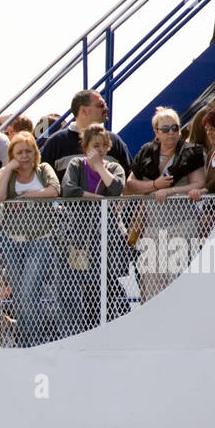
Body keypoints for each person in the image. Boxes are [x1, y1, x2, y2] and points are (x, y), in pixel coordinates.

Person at [125, 108, 208, 304]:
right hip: (152, 228)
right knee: (151, 282)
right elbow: (130, 185)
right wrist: (155, 185)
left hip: (182, 226)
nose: (171, 132)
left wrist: (169, 191)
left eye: (175, 128)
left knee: (179, 280)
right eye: (166, 129)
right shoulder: (145, 152)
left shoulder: (192, 152)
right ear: (156, 132)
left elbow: (198, 183)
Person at [0, 131, 61, 347]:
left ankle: (31, 341)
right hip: (11, 240)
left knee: (30, 291)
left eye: (28, 151)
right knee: (20, 295)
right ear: (12, 154)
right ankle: (25, 339)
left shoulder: (43, 169)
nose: (24, 156)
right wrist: (9, 168)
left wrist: (29, 196)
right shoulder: (6, 172)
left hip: (41, 239)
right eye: (19, 152)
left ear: (35, 152)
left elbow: (55, 190)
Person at [60, 124, 129, 334]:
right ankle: (85, 331)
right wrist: (100, 199)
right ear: (85, 147)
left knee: (107, 283)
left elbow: (116, 189)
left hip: (107, 236)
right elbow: (69, 190)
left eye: (102, 146)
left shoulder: (115, 168)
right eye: (94, 146)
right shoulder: (76, 164)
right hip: (80, 237)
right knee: (83, 284)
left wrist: (100, 167)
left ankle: (108, 328)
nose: (98, 150)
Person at [38, 90, 130, 177]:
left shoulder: (115, 141)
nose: (106, 108)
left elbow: (129, 179)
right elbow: (41, 181)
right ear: (84, 111)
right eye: (101, 105)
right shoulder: (56, 143)